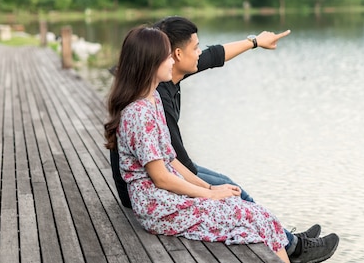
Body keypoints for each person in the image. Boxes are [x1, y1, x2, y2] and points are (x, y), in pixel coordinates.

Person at [110, 17, 339, 263]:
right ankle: (293, 246)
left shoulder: (152, 96)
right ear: (153, 61)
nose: (173, 60)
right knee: (248, 213)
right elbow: (161, 176)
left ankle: (289, 244)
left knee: (250, 211)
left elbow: (171, 159)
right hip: (156, 205)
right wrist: (208, 194)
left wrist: (209, 189)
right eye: (168, 56)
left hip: (164, 195)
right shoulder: (141, 110)